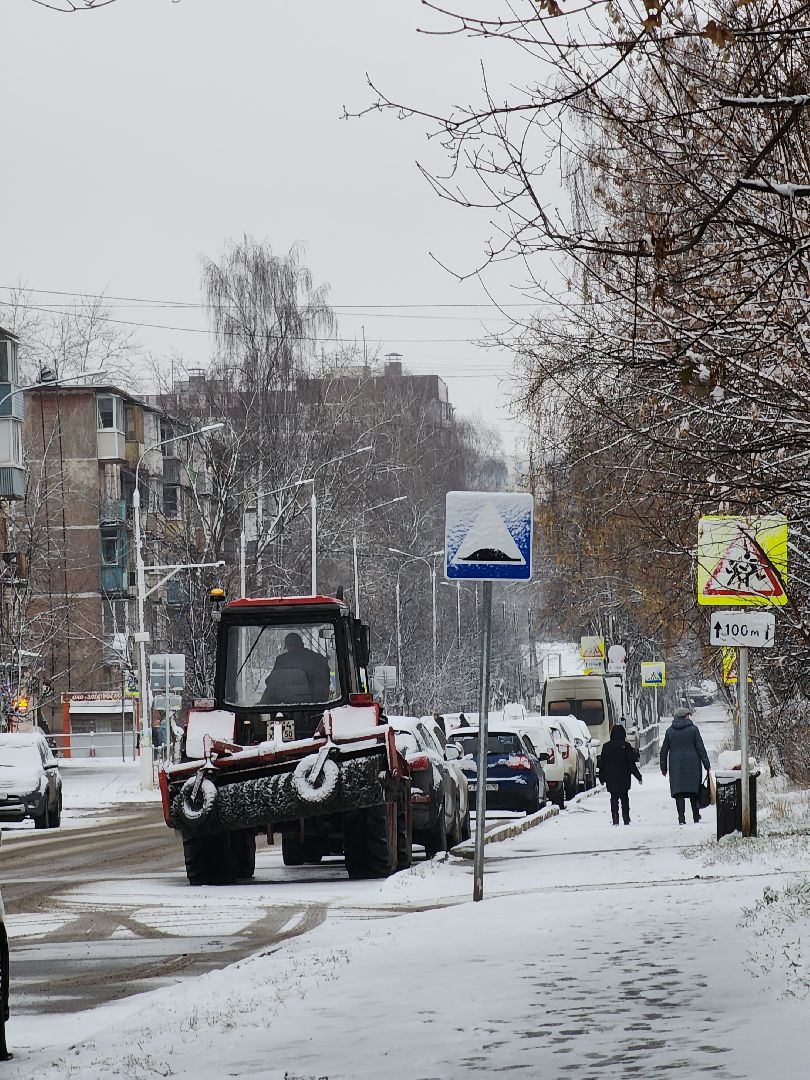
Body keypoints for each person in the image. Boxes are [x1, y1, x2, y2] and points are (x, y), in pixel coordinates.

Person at [660, 705, 711, 824]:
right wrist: (706, 765)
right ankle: (696, 816)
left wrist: (664, 768)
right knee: (694, 791)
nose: (689, 717)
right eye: (688, 715)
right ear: (684, 716)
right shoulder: (693, 730)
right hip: (693, 765)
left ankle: (681, 818)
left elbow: (664, 751)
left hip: (676, 766)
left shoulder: (670, 731)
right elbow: (700, 749)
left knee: (679, 792)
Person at [262, 632, 332, 705]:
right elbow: (326, 682)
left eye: (289, 646)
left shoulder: (282, 660)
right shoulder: (318, 658)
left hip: (285, 703)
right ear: (301, 644)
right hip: (314, 703)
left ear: (289, 646)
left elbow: (270, 681)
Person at [598, 724, 642, 825]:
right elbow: (631, 763)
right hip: (624, 777)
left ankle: (615, 817)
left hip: (611, 777)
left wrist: (602, 777)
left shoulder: (606, 746)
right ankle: (626, 817)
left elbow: (602, 764)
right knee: (624, 797)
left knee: (613, 797)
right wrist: (638, 776)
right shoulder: (626, 746)